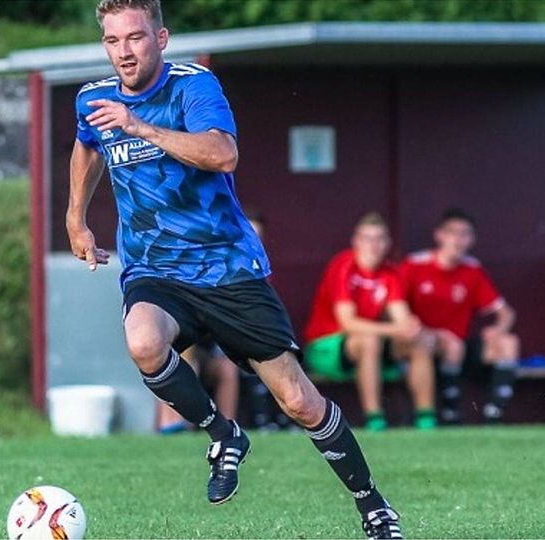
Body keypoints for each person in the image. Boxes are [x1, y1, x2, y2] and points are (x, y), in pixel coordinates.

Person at [67, 1, 401, 536]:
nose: (124, 52)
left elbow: (223, 154)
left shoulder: (194, 87)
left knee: (299, 400)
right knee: (143, 341)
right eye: (113, 41)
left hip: (227, 268)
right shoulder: (94, 98)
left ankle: (374, 505)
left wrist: (140, 124)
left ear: (162, 37)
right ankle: (223, 433)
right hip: (156, 268)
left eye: (135, 38)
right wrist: (76, 218)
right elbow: (87, 146)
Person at [303, 213, 434, 431]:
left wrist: (410, 327)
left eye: (379, 238)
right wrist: (396, 328)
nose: (373, 245)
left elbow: (400, 316)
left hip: (373, 348)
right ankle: (375, 418)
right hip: (326, 348)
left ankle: (426, 418)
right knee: (369, 341)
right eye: (367, 238)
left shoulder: (390, 273)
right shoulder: (343, 265)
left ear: (388, 243)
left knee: (420, 340)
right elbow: (348, 323)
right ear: (356, 241)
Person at [399, 209, 520, 424]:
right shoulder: (415, 265)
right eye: (453, 232)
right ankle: (450, 414)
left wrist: (498, 330)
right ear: (439, 235)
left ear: (472, 239)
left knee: (509, 343)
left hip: (460, 350)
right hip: (422, 348)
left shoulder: (471, 270)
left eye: (465, 234)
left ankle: (493, 418)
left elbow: (507, 313)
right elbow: (395, 307)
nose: (458, 239)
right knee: (451, 345)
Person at [155, 340, 239, 434]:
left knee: (228, 368)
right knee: (183, 357)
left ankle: (228, 429)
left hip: (209, 356)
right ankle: (174, 421)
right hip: (178, 354)